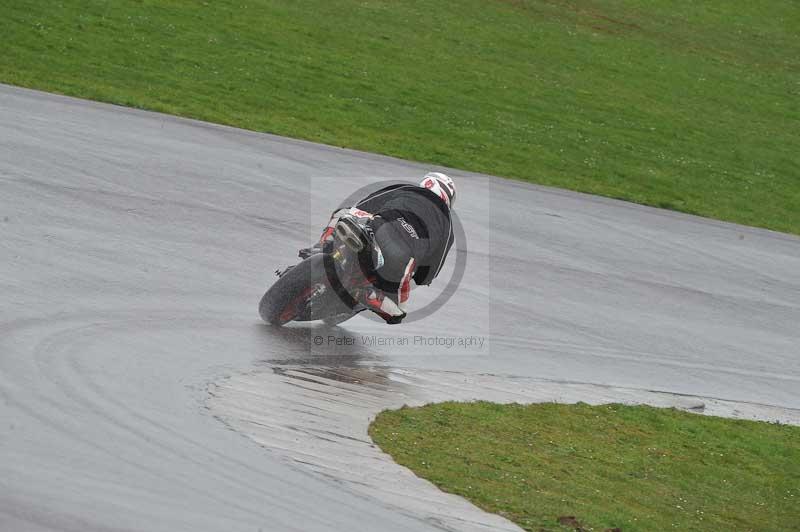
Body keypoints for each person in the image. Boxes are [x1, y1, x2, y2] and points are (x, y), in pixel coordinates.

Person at [299, 172, 456, 324]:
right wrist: (420, 277)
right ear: (447, 197)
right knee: (398, 313)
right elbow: (432, 269)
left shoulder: (406, 189)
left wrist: (356, 215)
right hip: (403, 257)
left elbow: (367, 203)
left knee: (343, 213)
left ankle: (323, 246)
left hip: (379, 229)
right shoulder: (447, 225)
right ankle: (368, 294)